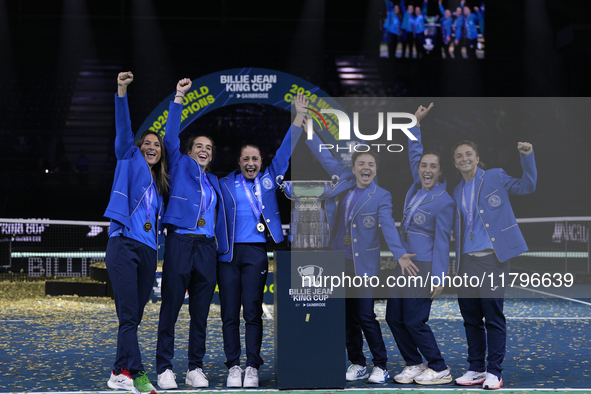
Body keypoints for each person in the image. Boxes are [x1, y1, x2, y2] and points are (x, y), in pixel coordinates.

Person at [305, 131, 417, 384]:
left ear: (375, 170)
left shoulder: (381, 196)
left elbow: (388, 226)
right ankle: (358, 363)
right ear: (353, 168)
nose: (366, 168)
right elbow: (325, 156)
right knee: (346, 317)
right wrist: (307, 130)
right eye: (361, 164)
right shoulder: (343, 181)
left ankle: (381, 365)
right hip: (337, 262)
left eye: (371, 164)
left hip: (363, 266)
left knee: (365, 315)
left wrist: (399, 255)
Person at [216, 92, 307, 388]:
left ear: (261, 161)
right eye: (246, 159)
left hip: (256, 252)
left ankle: (252, 366)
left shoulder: (269, 180)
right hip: (228, 255)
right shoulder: (225, 183)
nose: (251, 163)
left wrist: (298, 117)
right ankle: (233, 366)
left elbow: (285, 151)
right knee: (229, 312)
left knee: (252, 311)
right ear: (239, 162)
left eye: (255, 158)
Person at [155, 78, 228, 389]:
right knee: (171, 307)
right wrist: (179, 98)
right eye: (199, 146)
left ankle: (194, 367)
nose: (203, 150)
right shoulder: (181, 164)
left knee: (200, 313)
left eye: (208, 148)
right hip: (181, 241)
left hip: (206, 248)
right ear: (189, 150)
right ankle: (164, 368)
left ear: (211, 156)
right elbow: (170, 137)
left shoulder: (213, 183)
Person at [452, 140, 536, 390]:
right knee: (471, 319)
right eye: (459, 156)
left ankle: (494, 372)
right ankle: (477, 368)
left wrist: (527, 157)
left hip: (492, 259)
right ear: (455, 163)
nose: (464, 158)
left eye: (468, 154)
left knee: (493, 317)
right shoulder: (457, 190)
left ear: (477, 158)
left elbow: (527, 186)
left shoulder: (495, 176)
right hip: (466, 262)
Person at [104, 71, 169, 394]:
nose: (152, 147)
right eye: (148, 143)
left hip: (147, 251)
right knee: (129, 315)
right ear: (138, 146)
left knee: (133, 316)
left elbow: (170, 141)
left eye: (157, 145)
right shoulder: (127, 159)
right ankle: (139, 374)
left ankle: (118, 371)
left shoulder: (159, 187)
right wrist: (121, 90)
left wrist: (180, 99)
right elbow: (123, 130)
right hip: (123, 245)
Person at [385, 104, 455, 385]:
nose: (426, 169)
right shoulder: (416, 187)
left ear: (440, 172)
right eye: (424, 166)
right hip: (404, 263)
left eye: (432, 167)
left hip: (423, 266)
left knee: (414, 321)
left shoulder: (445, 201)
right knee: (393, 318)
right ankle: (414, 362)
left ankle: (439, 367)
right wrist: (415, 124)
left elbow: (442, 242)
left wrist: (439, 275)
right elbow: (415, 152)